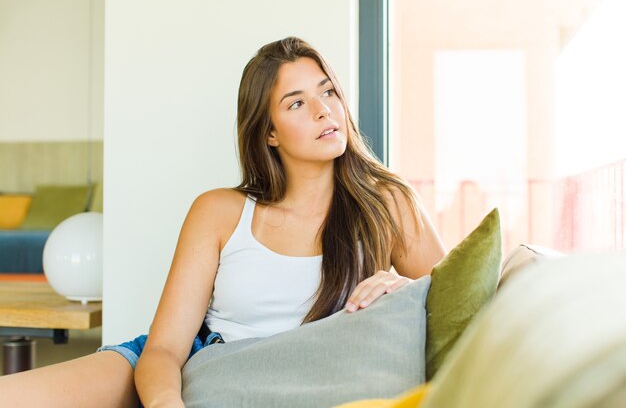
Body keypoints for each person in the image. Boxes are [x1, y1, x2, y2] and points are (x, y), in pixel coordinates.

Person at [0, 36, 446, 408]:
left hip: (293, 382)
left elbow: (455, 301)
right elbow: (163, 349)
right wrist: (164, 404)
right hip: (196, 368)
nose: (323, 111)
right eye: (296, 103)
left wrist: (404, 289)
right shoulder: (219, 211)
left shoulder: (386, 204)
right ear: (268, 133)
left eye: (328, 92)